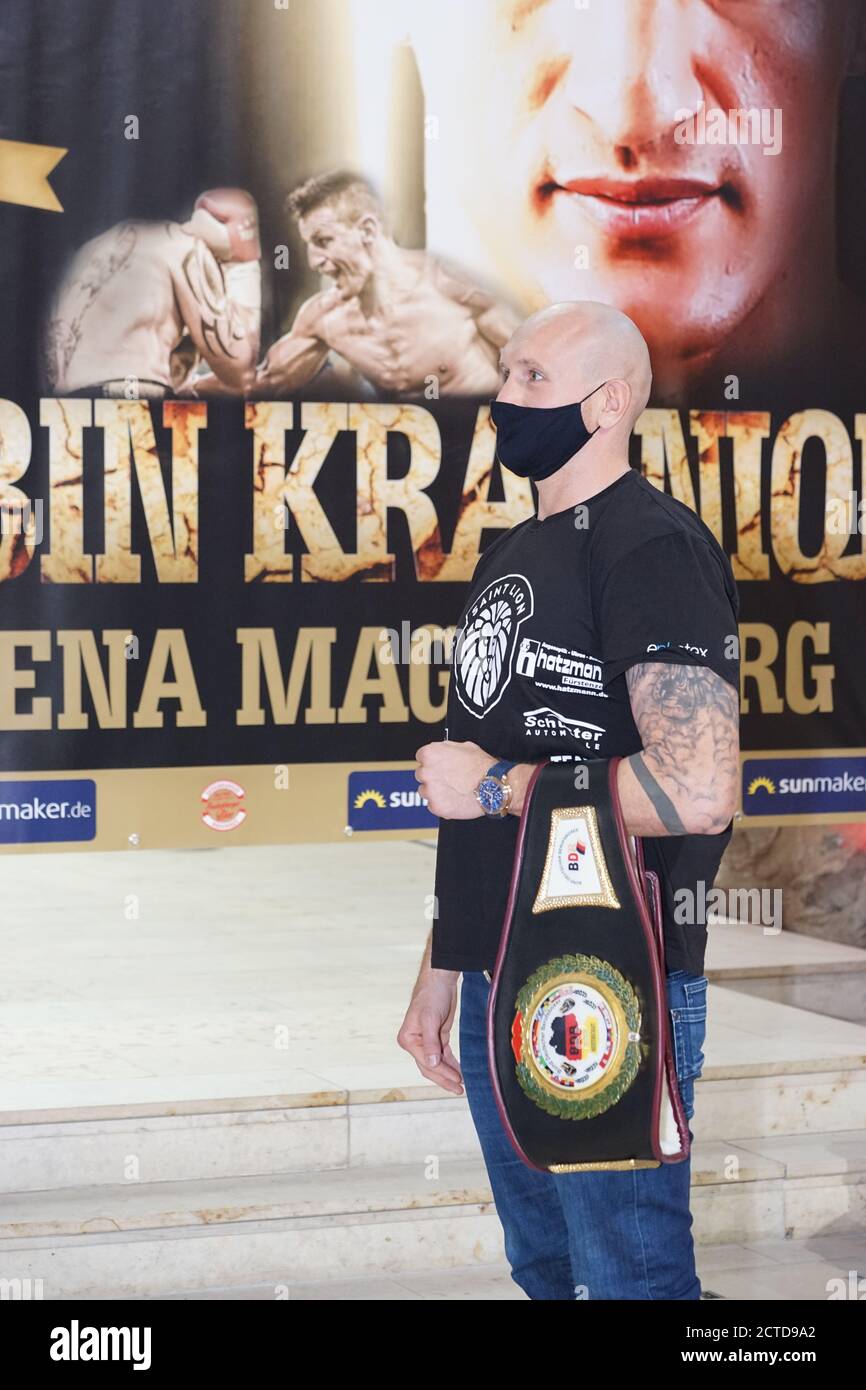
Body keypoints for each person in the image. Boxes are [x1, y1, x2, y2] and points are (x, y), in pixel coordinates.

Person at [397, 301, 741, 1300]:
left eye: (531, 380)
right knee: (545, 1270)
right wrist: (441, 964)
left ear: (606, 403)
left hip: (609, 981)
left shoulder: (650, 550)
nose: (503, 399)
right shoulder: (510, 551)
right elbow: (479, 796)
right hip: (496, 972)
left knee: (626, 1277)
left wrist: (496, 785)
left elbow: (695, 789)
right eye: (504, 374)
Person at [253, 170, 520, 399]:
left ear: (368, 231)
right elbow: (261, 385)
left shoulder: (451, 285)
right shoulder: (325, 319)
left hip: (487, 446)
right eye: (309, 245)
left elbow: (536, 366)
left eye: (323, 241)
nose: (314, 261)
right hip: (412, 450)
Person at [42, 188, 262, 398]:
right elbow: (240, 372)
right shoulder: (181, 243)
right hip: (135, 398)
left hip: (67, 413)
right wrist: (243, 264)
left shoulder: (82, 258)